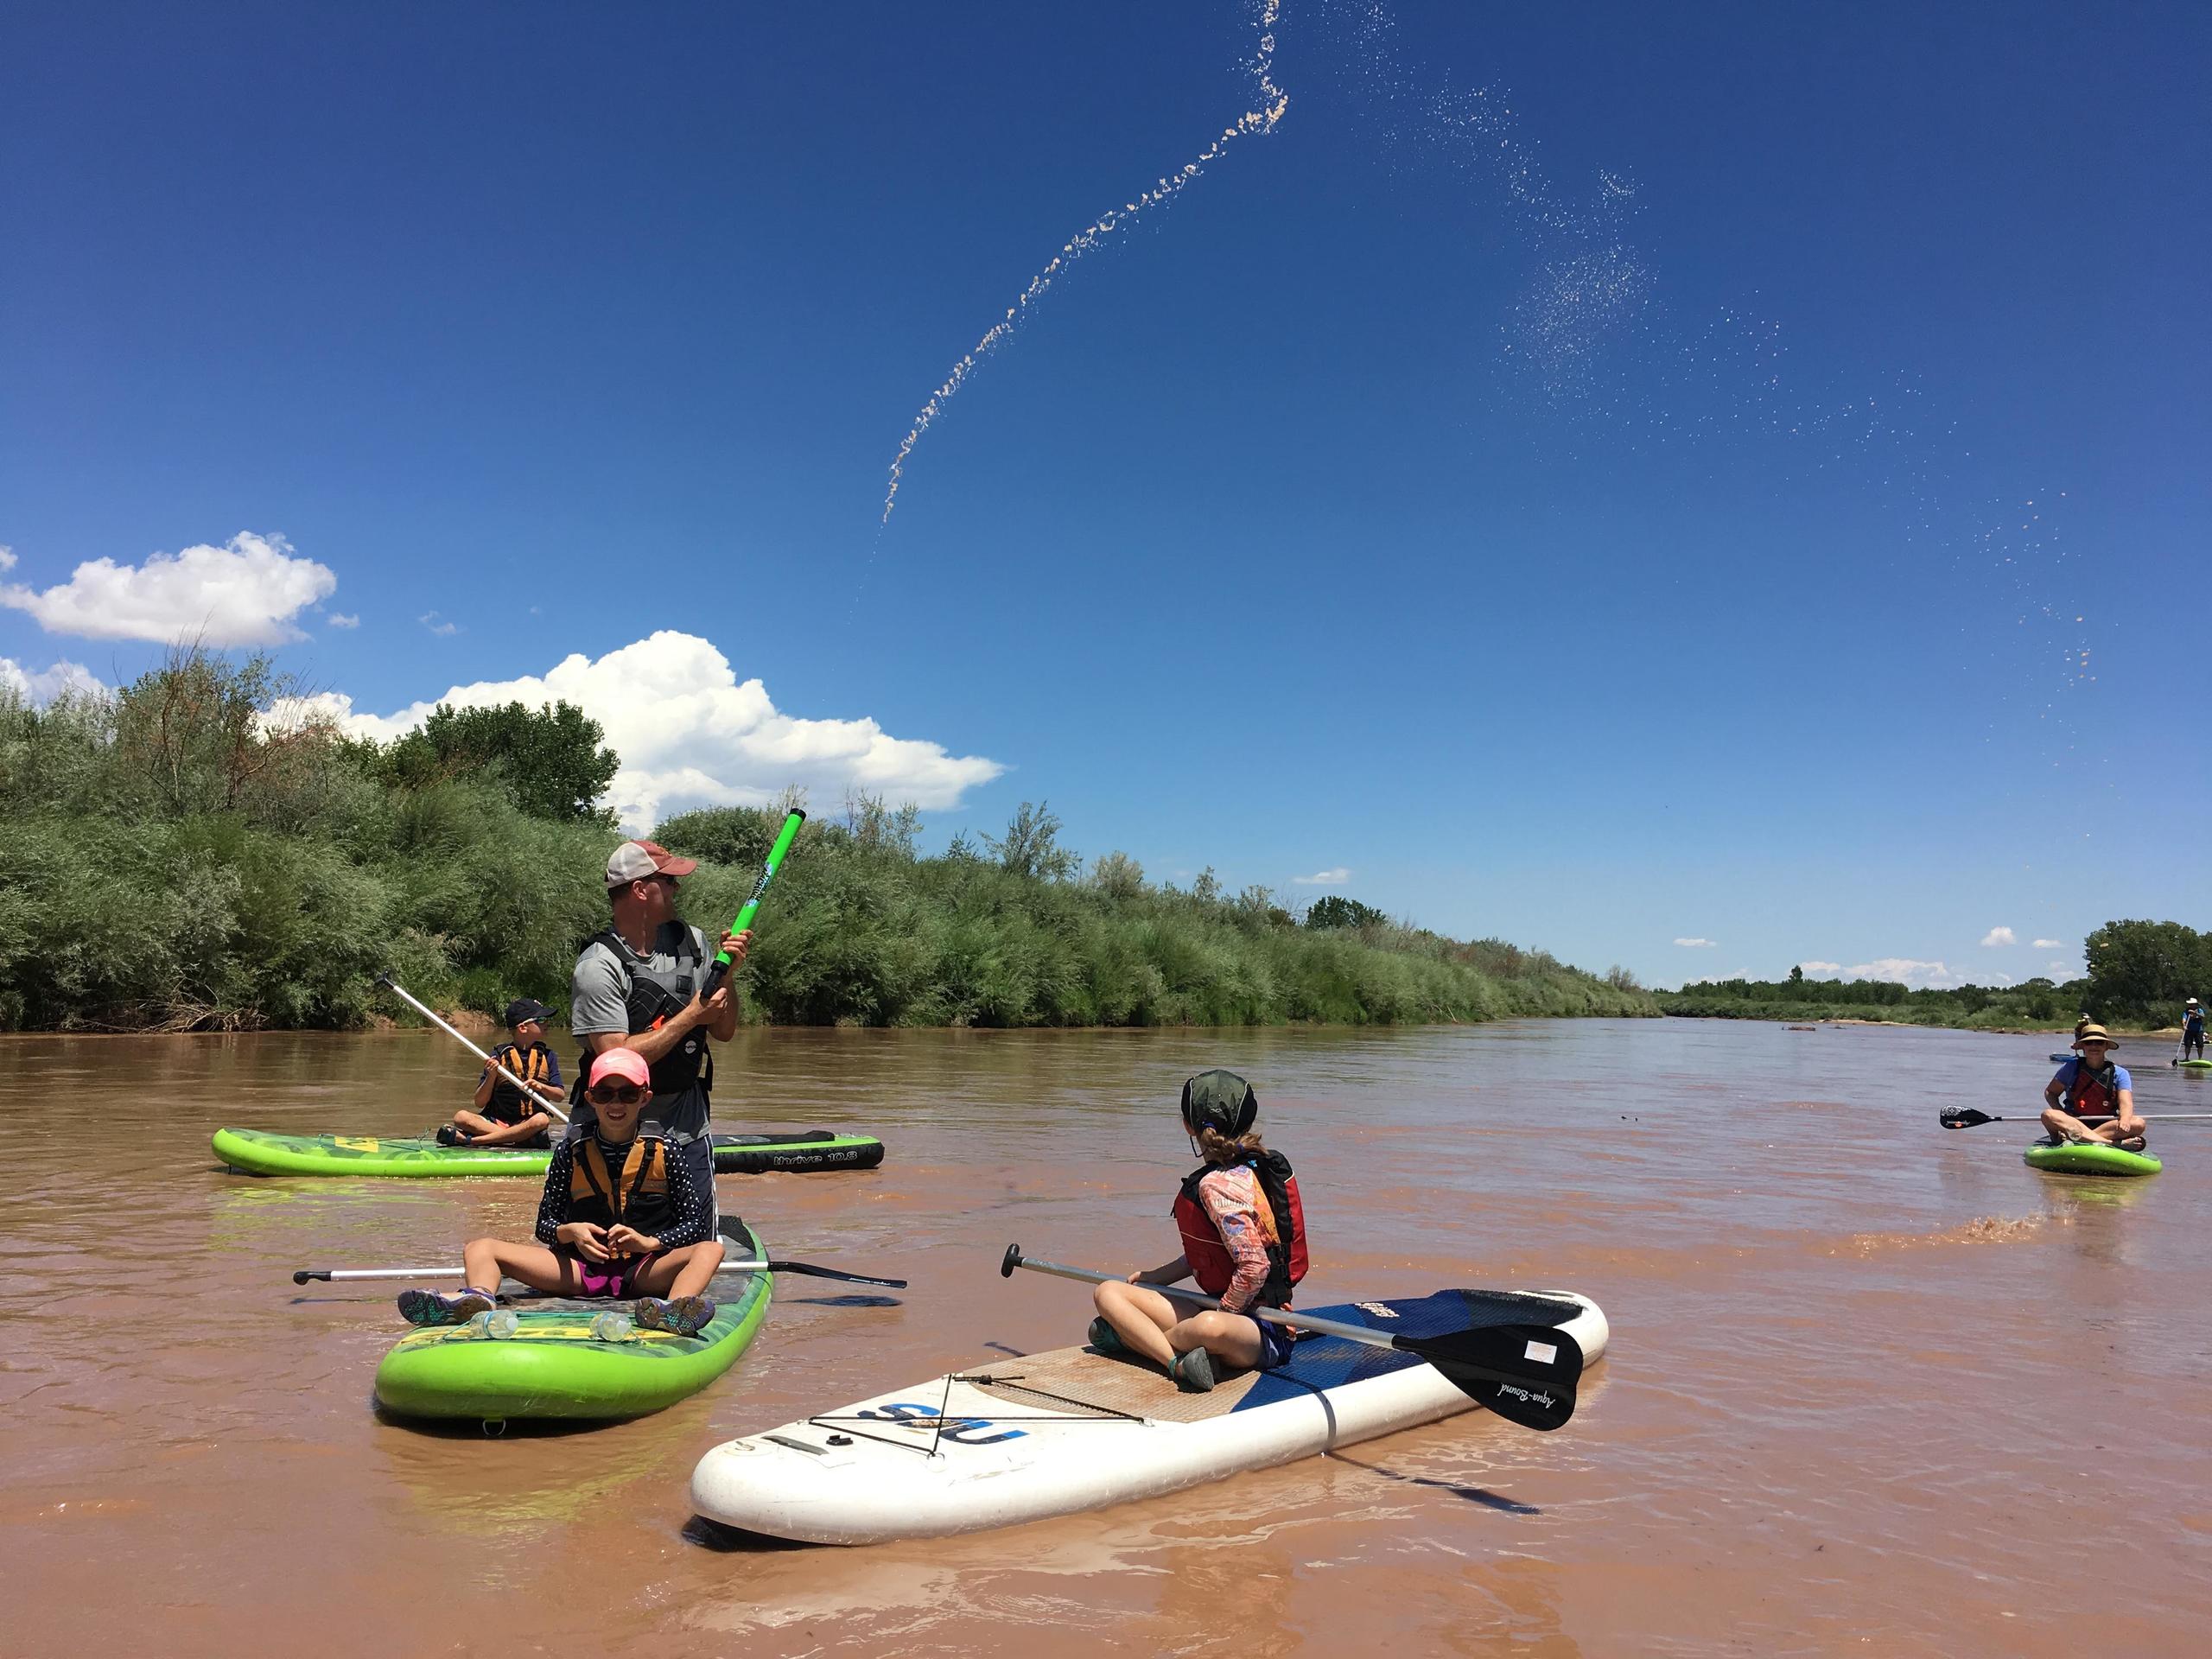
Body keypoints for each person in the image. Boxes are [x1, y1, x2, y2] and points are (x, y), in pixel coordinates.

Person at [396, 1049, 728, 1335]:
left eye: (627, 1093)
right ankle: (478, 1298)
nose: (616, 1103)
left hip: (643, 1270)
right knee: (480, 1247)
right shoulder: (570, 1150)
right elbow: (545, 1224)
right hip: (579, 1270)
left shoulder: (667, 1150)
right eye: (605, 1093)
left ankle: (670, 1310)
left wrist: (649, 1243)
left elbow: (693, 1226)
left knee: (710, 1249)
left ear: (645, 1098)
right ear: (590, 1098)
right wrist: (570, 1232)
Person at [1090, 1069, 1309, 1394]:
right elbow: (1210, 1253)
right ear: (1248, 1123)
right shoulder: (1243, 1171)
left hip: (1260, 1327)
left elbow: (1255, 1266)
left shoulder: (1217, 1186)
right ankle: (1178, 1362)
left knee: (1208, 1327)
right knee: (1108, 1290)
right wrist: (1156, 1277)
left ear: (1187, 1126)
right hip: (1213, 1305)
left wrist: (1223, 1312)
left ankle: (1137, 1341)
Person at [569, 838, 750, 1225]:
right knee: (608, 1238)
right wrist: (690, 1017)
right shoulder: (598, 966)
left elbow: (724, 1030)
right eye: (668, 881)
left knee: (695, 1232)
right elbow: (614, 1059)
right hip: (613, 1127)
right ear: (640, 889)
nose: (676, 888)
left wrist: (729, 974)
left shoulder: (696, 943)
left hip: (686, 1121)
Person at [437, 998, 565, 1147]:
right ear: (523, 1028)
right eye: (541, 1020)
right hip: (498, 1122)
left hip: (528, 1123)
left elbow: (559, 1096)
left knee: (542, 1120)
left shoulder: (548, 1056)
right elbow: (480, 1102)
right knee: (461, 1117)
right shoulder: (498, 1056)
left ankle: (472, 1140)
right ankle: (519, 1139)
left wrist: (541, 1087)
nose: (546, 1023)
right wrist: (491, 1076)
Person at [2042, 1025, 2147, 1151]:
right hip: (2074, 1122)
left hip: (2106, 1124)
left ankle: (2076, 1139)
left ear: (2106, 1047)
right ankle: (2111, 1143)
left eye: (2099, 1043)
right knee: (2047, 1115)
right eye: (2089, 1043)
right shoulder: (2070, 1067)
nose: (2094, 1046)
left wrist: (2124, 1119)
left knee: (2138, 1123)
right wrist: (2064, 1114)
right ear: (2083, 1047)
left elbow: (2126, 1103)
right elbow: (2051, 1092)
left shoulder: (2120, 1073)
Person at [2182, 998, 2205, 1063]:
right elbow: (2184, 1019)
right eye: (2189, 1004)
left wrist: (2195, 1013)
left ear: (2195, 1004)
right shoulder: (2186, 1011)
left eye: (2191, 1004)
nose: (2190, 1005)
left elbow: (2203, 1016)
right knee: (2188, 1045)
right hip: (2189, 1030)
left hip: (2198, 1030)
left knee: (2200, 1045)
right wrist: (2184, 1025)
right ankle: (2186, 1058)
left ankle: (2200, 1058)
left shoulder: (2200, 1010)